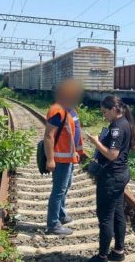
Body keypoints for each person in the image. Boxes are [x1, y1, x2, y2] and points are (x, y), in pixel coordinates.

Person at [86, 96, 135, 262]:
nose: (104, 115)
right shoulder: (125, 123)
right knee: (118, 213)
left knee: (105, 217)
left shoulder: (117, 127)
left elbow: (112, 154)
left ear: (114, 109)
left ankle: (102, 256)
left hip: (111, 177)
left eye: (105, 112)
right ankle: (119, 252)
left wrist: (95, 142)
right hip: (121, 174)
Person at [44, 79, 86, 235]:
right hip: (60, 159)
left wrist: (79, 152)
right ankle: (53, 224)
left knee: (66, 187)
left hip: (69, 157)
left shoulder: (71, 110)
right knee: (58, 191)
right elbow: (49, 135)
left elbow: (74, 133)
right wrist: (50, 159)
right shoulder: (57, 110)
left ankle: (61, 214)